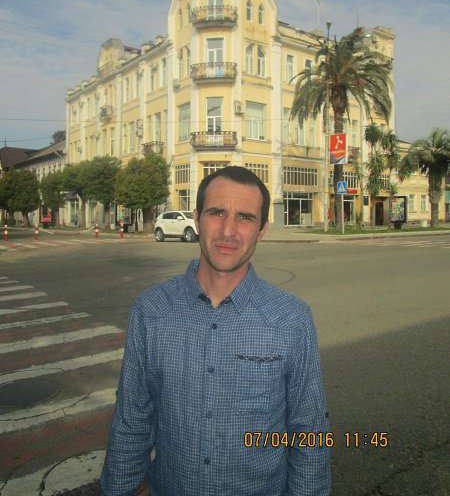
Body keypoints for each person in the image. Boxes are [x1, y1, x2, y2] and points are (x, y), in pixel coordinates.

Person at [101, 166, 331, 495]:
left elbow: (309, 431)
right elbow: (131, 419)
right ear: (197, 218)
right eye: (217, 212)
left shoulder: (291, 319)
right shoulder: (151, 310)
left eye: (245, 217)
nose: (228, 231)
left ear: (262, 229)